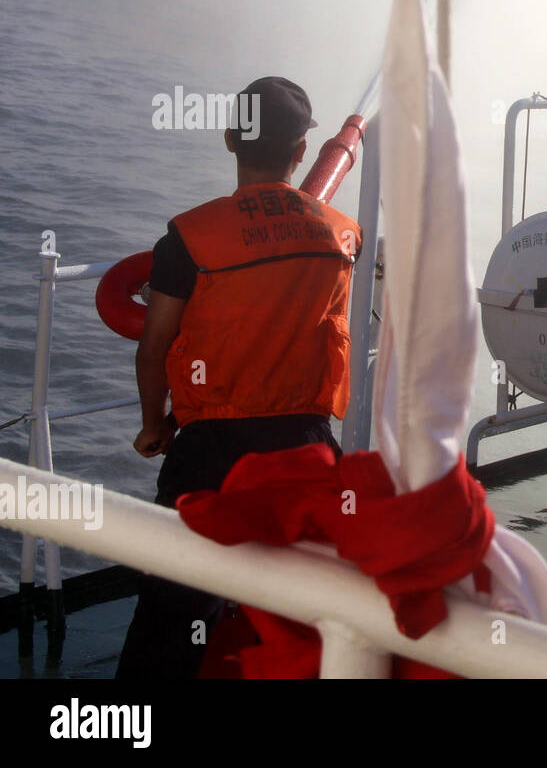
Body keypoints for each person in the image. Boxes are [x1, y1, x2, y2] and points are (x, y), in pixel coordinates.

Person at [116, 76, 361, 678]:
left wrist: (155, 426)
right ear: (302, 151)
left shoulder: (190, 238)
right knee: (305, 610)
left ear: (229, 139)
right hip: (304, 449)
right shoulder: (341, 236)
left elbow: (154, 349)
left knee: (171, 610)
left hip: (211, 454)